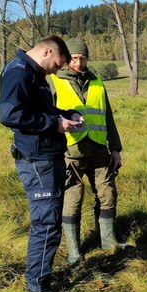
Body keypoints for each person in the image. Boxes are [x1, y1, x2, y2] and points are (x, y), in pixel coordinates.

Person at [0, 35, 82, 292]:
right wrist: (54, 125)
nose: (56, 70)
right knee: (46, 224)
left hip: (47, 157)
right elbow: (10, 115)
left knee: (50, 221)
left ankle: (40, 277)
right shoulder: (19, 74)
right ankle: (37, 288)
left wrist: (66, 114)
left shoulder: (33, 74)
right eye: (57, 64)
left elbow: (41, 110)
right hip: (37, 161)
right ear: (47, 51)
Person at [47, 38, 124, 265]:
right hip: (70, 150)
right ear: (66, 59)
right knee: (73, 197)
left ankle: (108, 242)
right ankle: (74, 251)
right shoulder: (53, 80)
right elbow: (48, 116)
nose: (78, 63)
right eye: (73, 58)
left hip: (99, 149)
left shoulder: (97, 81)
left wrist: (115, 148)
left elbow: (108, 117)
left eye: (83, 58)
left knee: (107, 193)